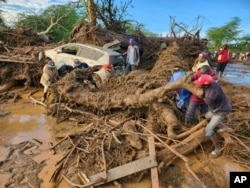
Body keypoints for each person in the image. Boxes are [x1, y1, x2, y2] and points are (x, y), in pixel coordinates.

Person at [193, 74, 232, 158]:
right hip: (224, 104)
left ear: (205, 85)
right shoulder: (214, 82)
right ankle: (223, 126)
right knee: (206, 117)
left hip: (221, 111)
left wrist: (203, 97)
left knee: (209, 129)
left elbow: (212, 108)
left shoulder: (209, 96)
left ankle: (217, 149)